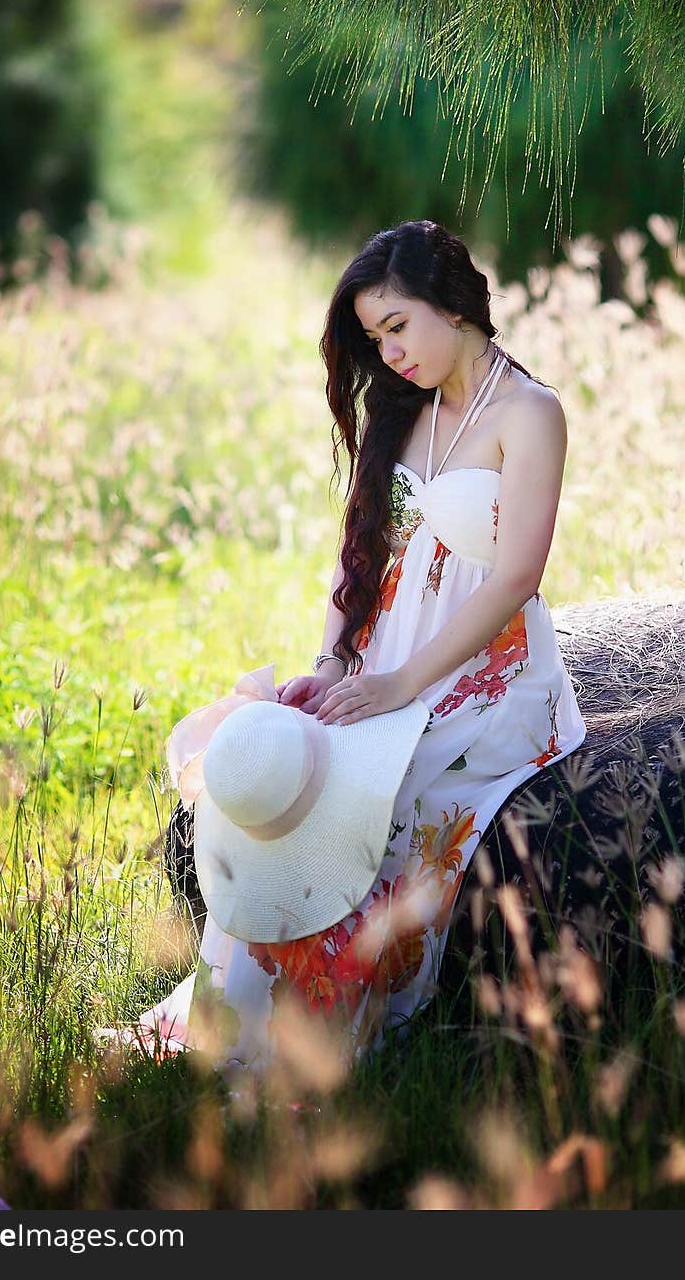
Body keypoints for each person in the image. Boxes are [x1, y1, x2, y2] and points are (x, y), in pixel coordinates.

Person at [99, 219, 587, 1080]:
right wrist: (334, 665)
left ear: (451, 301)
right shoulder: (406, 409)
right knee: (301, 759)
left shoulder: (528, 412)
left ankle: (325, 1041)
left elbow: (515, 579)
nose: (389, 353)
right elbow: (359, 548)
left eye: (398, 326)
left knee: (382, 794)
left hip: (487, 674)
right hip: (385, 657)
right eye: (374, 338)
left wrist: (402, 684)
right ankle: (233, 1027)